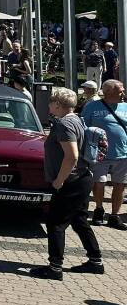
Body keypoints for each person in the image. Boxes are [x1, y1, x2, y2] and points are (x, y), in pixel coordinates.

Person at [29, 87, 104, 279]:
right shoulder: (77, 119)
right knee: (79, 220)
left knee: (55, 222)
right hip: (82, 178)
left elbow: (71, 156)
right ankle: (95, 260)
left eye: (50, 102)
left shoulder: (64, 125)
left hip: (70, 181)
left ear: (57, 105)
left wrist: (58, 181)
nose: (48, 106)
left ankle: (55, 267)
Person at [82, 80, 127, 229]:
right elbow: (84, 126)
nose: (123, 93)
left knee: (120, 185)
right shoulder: (92, 107)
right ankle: (99, 209)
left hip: (122, 154)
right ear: (109, 92)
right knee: (99, 183)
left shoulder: (125, 107)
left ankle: (114, 215)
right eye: (120, 91)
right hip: (100, 154)